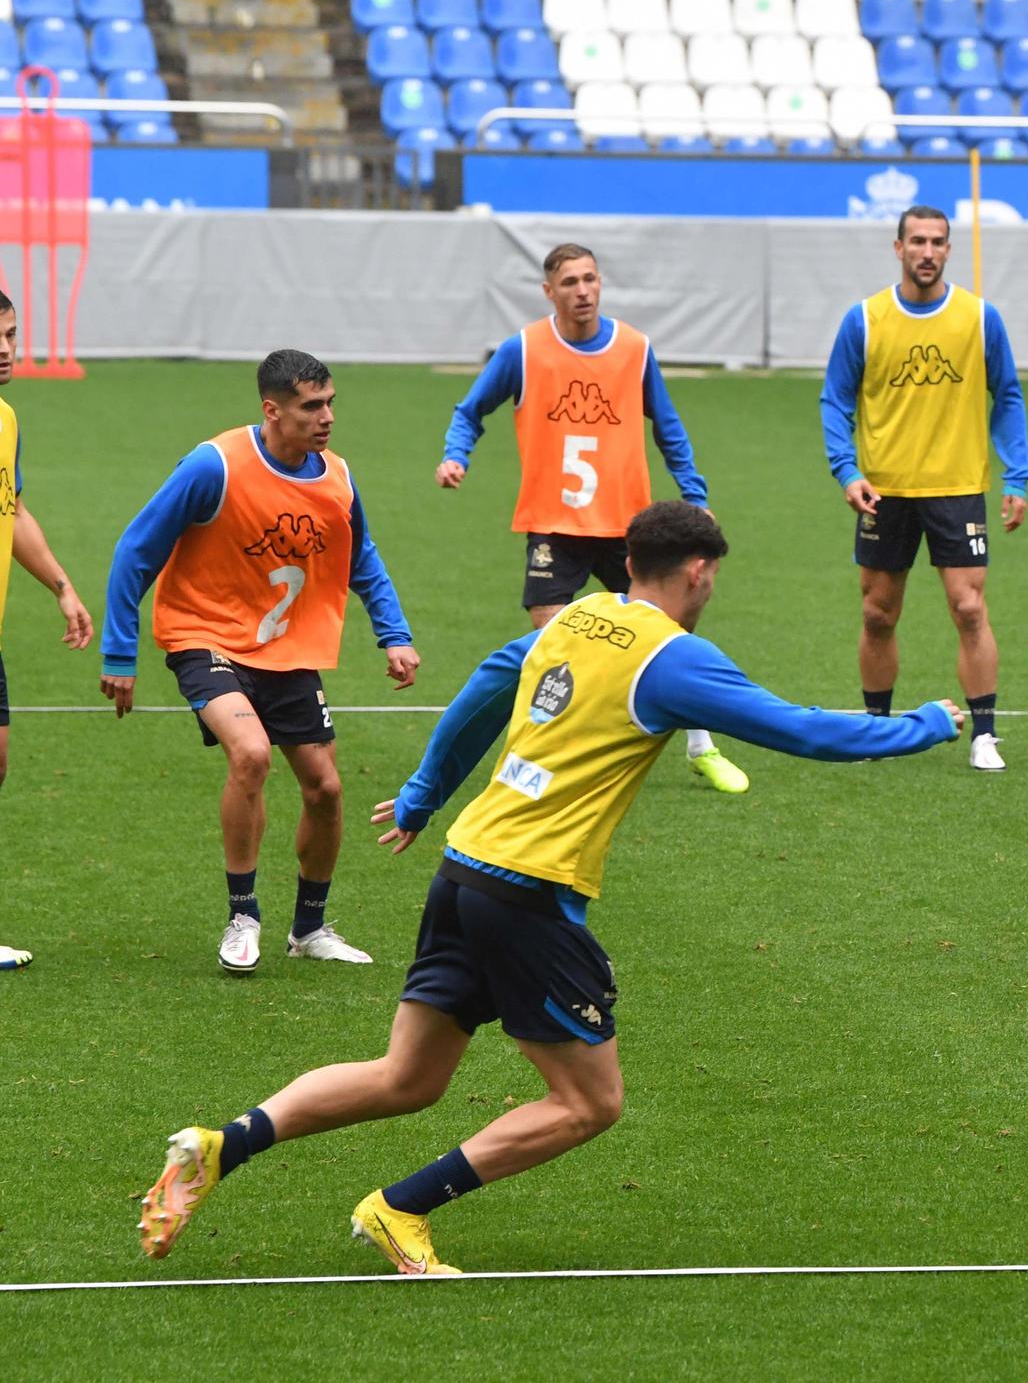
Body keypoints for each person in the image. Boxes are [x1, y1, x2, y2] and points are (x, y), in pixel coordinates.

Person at [135, 501, 963, 1276]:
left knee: (407, 1079)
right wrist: (925, 723)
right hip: (528, 896)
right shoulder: (672, 659)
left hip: (464, 871)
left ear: (629, 560)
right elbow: (808, 733)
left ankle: (220, 1145)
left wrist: (425, 793)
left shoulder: (568, 617)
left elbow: (483, 693)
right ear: (701, 572)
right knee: (589, 1102)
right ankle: (400, 1208)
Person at [101, 350, 421, 975]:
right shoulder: (214, 464)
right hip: (204, 636)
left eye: (330, 403)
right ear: (271, 410)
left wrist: (394, 633)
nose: (326, 417)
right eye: (311, 406)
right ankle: (243, 915)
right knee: (249, 754)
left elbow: (364, 558)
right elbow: (135, 551)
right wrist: (120, 652)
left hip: (287, 651)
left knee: (326, 789)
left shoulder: (336, 476)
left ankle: (309, 928)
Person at [436, 242, 749, 796]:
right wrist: (456, 453)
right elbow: (470, 409)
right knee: (555, 641)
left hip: (628, 524)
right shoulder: (524, 351)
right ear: (549, 291)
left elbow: (667, 426)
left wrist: (694, 492)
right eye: (570, 282)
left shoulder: (633, 348)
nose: (583, 291)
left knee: (672, 632)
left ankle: (702, 746)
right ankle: (550, 749)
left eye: (590, 280)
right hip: (554, 522)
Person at [820, 204, 1028, 772]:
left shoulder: (979, 317)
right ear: (898, 249)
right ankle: (877, 729)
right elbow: (835, 400)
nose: (928, 252)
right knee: (877, 614)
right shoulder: (863, 320)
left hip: (958, 488)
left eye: (938, 242)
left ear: (948, 250)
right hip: (883, 491)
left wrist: (1017, 475)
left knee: (968, 608)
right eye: (917, 241)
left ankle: (984, 735)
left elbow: (1007, 394)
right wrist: (847, 470)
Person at [0, 291, 94, 972]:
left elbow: (14, 507)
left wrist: (61, 586)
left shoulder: (5, 419)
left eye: (10, 335)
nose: (7, 349)